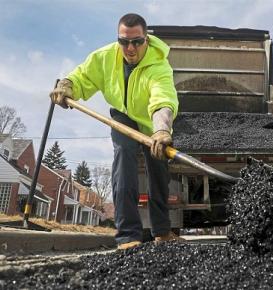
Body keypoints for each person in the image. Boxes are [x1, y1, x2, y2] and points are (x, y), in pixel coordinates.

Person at [50, 13, 183, 249]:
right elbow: (82, 76)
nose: (129, 48)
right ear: (118, 39)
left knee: (159, 167)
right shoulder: (104, 57)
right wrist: (68, 86)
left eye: (136, 41)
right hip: (123, 117)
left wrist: (162, 130)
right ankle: (128, 235)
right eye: (124, 41)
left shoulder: (159, 64)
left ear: (146, 39)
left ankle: (162, 231)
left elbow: (163, 99)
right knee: (123, 155)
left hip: (152, 122)